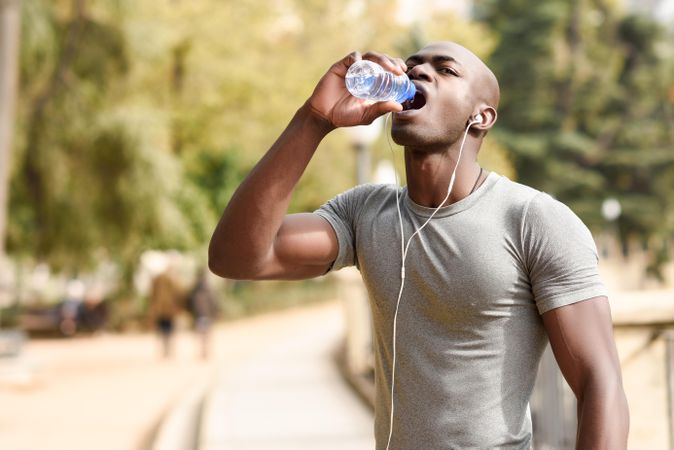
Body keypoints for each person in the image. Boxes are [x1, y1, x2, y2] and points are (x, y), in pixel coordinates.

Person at [208, 42, 629, 449]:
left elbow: (600, 383)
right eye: (411, 68)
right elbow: (237, 257)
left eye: (445, 70)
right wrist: (314, 119)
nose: (418, 72)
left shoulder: (533, 220)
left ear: (481, 117)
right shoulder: (363, 212)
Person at [148, 269, 183, 358]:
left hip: (161, 308)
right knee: (168, 329)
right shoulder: (171, 280)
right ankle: (167, 348)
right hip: (169, 308)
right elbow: (178, 294)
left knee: (163, 329)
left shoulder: (157, 280)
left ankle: (165, 349)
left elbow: (152, 295)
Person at [186, 269, 218, 359]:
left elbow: (189, 302)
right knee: (206, 335)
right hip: (207, 315)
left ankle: (203, 352)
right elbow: (214, 302)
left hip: (198, 315)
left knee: (201, 335)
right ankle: (205, 352)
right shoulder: (209, 288)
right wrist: (215, 312)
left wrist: (190, 312)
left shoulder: (194, 289)